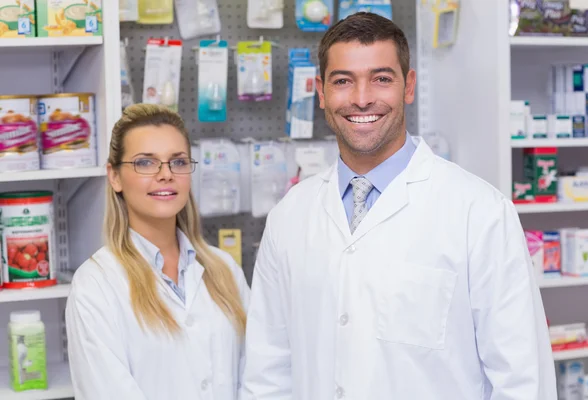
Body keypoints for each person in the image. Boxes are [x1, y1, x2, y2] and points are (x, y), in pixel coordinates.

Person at [241, 12, 557, 400]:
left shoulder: (480, 212)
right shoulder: (290, 216)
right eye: (343, 81)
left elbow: (523, 379)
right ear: (321, 91)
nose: (361, 98)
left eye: (381, 78)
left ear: (408, 86)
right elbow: (267, 372)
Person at [65, 104, 249, 400]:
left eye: (177, 162)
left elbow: (254, 378)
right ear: (115, 177)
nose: (166, 174)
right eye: (145, 163)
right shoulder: (95, 285)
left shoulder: (224, 269)